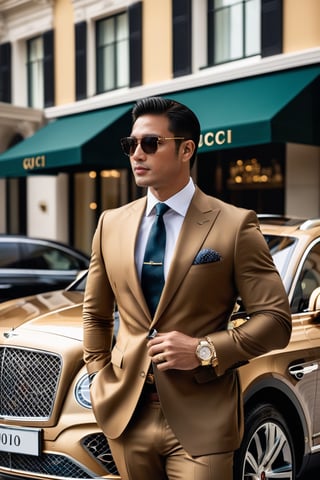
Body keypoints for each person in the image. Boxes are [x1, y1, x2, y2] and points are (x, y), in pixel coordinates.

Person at [83, 96, 292, 480]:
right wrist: (98, 374)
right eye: (131, 145)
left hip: (203, 418)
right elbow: (95, 313)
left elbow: (276, 320)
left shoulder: (234, 224)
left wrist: (203, 349)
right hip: (127, 416)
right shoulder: (110, 224)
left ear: (186, 149)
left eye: (150, 143)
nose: (136, 155)